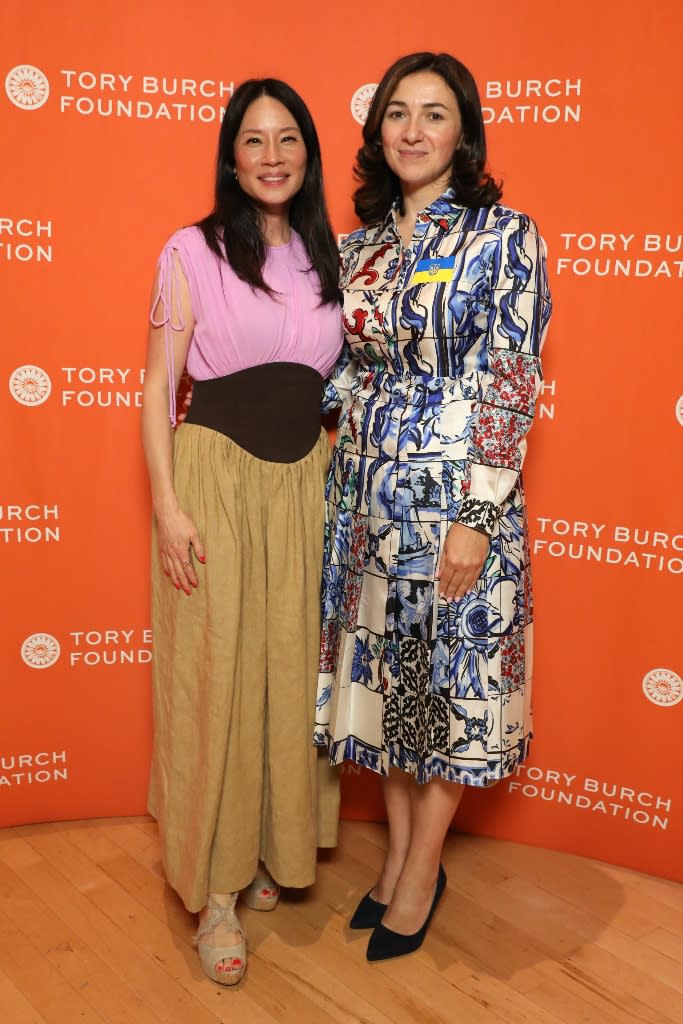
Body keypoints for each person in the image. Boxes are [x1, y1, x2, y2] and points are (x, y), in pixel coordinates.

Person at [315, 52, 552, 962]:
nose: (412, 130)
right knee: (400, 686)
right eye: (397, 114)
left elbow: (509, 379)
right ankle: (400, 862)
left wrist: (475, 516)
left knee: (447, 685)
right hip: (369, 498)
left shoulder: (505, 235)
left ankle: (417, 878)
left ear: (463, 132)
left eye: (434, 114)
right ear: (378, 131)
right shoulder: (359, 245)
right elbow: (339, 370)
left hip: (455, 497)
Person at [141, 77, 343, 985]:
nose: (272, 155)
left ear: (307, 152)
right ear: (231, 156)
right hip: (214, 475)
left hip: (306, 482)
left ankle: (271, 847)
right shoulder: (192, 249)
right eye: (253, 140)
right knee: (218, 676)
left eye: (287, 138)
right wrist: (168, 505)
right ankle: (216, 890)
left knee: (284, 667)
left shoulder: (328, 253)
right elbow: (158, 386)